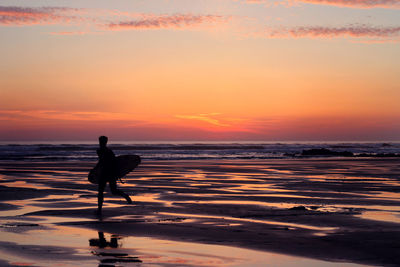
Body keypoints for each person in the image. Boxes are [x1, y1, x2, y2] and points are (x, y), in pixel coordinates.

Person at [96, 136, 132, 215]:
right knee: (101, 191)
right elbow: (101, 162)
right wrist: (95, 169)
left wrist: (117, 174)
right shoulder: (101, 151)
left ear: (105, 142)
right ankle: (99, 209)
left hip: (109, 173)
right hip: (105, 173)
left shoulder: (107, 151)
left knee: (113, 191)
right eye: (100, 141)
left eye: (102, 141)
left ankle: (125, 196)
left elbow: (113, 162)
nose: (100, 143)